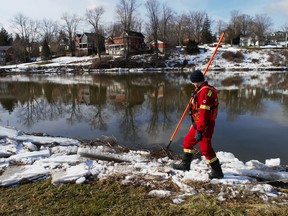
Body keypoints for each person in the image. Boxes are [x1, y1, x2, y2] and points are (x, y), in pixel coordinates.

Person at [173, 69, 224, 179]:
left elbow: (204, 114)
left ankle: (217, 172)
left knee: (206, 149)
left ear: (197, 81)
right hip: (199, 123)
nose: (192, 84)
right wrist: (195, 124)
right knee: (187, 141)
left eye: (193, 82)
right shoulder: (200, 89)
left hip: (205, 125)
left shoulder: (205, 93)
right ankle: (185, 165)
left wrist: (200, 130)